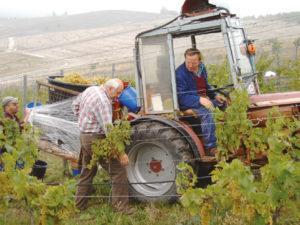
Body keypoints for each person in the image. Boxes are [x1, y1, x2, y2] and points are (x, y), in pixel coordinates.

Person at [72, 78, 134, 214]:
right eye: (117, 93)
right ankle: (120, 207)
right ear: (110, 89)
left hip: (84, 136)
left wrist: (84, 120)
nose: (118, 96)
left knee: (88, 171)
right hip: (96, 140)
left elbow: (75, 105)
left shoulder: (91, 89)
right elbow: (109, 130)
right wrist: (121, 153)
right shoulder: (104, 102)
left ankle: (79, 205)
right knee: (118, 171)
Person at [176, 48, 226, 156]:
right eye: (188, 62)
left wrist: (215, 95)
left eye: (193, 63)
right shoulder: (180, 74)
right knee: (206, 112)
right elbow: (181, 96)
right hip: (187, 102)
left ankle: (224, 136)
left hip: (201, 99)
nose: (190, 65)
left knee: (222, 104)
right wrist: (199, 99)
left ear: (199, 61)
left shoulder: (202, 69)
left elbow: (205, 85)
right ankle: (211, 147)